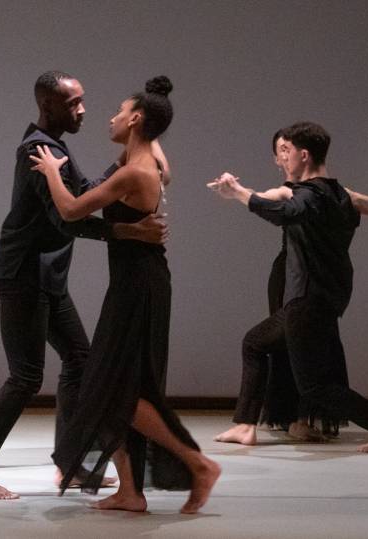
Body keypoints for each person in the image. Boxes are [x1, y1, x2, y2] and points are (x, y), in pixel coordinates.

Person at [0, 71, 168, 500]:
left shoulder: (54, 148)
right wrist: (129, 233)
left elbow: (85, 189)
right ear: (49, 106)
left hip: (46, 275)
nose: (83, 110)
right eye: (74, 103)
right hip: (22, 274)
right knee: (27, 376)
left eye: (83, 101)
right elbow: (64, 217)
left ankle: (69, 465)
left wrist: (127, 161)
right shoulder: (38, 151)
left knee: (79, 360)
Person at [36, 76, 220, 514]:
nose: (111, 117)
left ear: (136, 118)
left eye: (119, 111)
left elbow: (70, 210)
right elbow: (163, 164)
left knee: (116, 391)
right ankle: (131, 491)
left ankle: (198, 464)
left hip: (138, 286)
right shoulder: (149, 160)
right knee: (115, 386)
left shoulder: (133, 172)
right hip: (138, 282)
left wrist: (49, 173)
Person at [208, 121, 368, 453]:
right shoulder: (336, 194)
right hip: (317, 297)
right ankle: (245, 425)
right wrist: (349, 197)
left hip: (309, 299)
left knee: (315, 386)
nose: (282, 160)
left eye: (287, 153)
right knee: (255, 343)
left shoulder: (310, 195)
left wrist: (239, 193)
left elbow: (286, 210)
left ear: (303, 155)